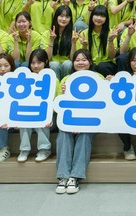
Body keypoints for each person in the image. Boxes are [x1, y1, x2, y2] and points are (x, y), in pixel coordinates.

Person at [55, 49, 97, 195]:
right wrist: (64, 94)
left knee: (84, 134)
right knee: (63, 132)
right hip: (69, 119)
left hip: (90, 120)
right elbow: (58, 105)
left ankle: (75, 176)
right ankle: (63, 176)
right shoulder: (66, 79)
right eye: (77, 60)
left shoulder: (98, 77)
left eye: (84, 60)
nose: (80, 63)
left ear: (90, 62)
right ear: (73, 63)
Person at [18, 49, 52, 163]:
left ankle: (44, 149)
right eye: (33, 63)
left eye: (39, 62)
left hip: (48, 114)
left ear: (46, 62)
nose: (36, 66)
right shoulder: (26, 80)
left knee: (41, 120)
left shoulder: (52, 79)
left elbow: (54, 102)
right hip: (29, 112)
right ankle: (24, 150)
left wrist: (49, 116)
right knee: (24, 120)